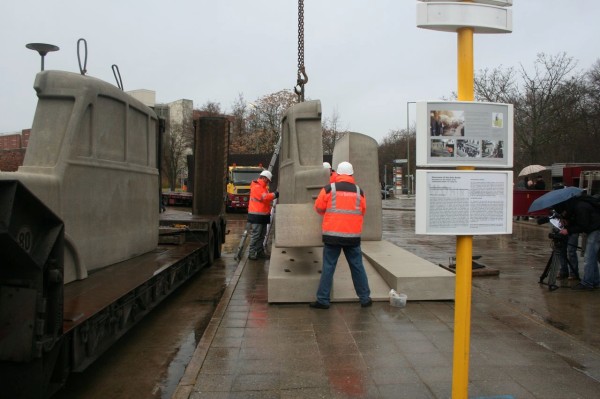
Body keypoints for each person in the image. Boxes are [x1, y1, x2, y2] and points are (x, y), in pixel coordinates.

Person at [310, 161, 372, 309]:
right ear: (351, 174)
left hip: (332, 236)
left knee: (329, 267)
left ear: (337, 173)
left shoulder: (328, 189)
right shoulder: (359, 191)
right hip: (352, 237)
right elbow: (362, 211)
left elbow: (318, 207)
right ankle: (365, 298)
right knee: (357, 266)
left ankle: (323, 300)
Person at [555, 196, 600, 290]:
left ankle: (587, 283)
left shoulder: (580, 207)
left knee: (588, 257)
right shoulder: (577, 205)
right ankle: (595, 281)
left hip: (596, 229)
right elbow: (581, 222)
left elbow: (583, 225)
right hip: (594, 228)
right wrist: (568, 223)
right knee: (592, 257)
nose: (564, 213)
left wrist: (568, 230)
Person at [247, 170, 278, 260]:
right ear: (263, 178)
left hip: (262, 215)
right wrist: (274, 194)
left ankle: (259, 252)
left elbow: (265, 198)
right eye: (267, 180)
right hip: (257, 215)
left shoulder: (263, 187)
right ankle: (252, 253)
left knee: (262, 235)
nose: (268, 182)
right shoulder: (257, 186)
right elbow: (264, 198)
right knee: (256, 234)